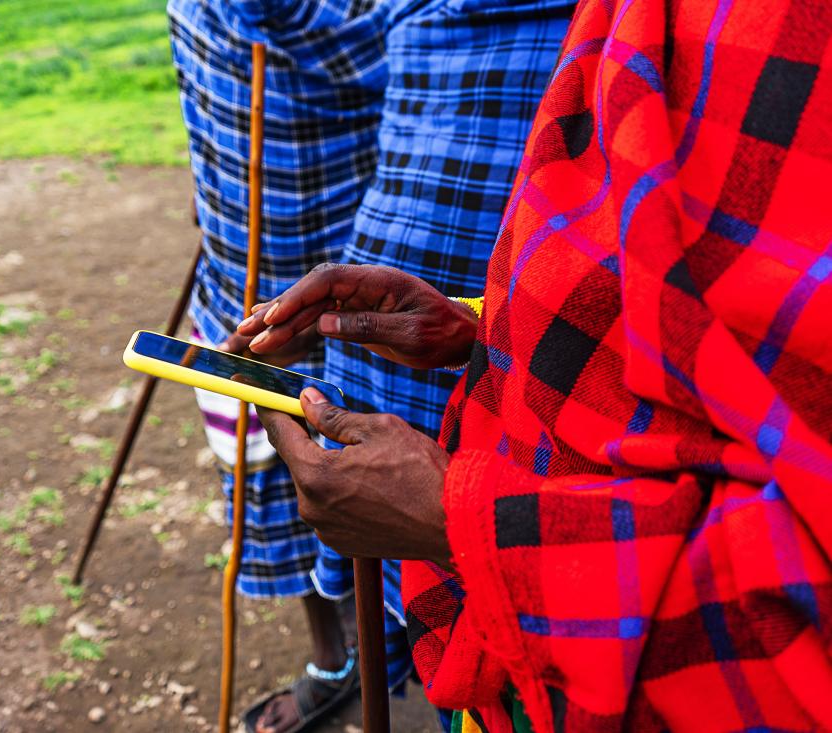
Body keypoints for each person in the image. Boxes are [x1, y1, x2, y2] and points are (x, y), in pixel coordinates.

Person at [236, 0, 832, 729]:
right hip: (517, 654)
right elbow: (684, 323)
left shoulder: (789, 37)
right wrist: (489, 328)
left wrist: (462, 521)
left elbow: (800, 607)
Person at [225, 0, 575, 728]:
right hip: (429, 331)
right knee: (387, 556)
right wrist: (470, 323)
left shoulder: (614, 27)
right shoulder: (409, 10)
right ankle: (374, 660)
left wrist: (464, 519)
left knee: (493, 624)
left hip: (517, 409)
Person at [166, 1, 390, 731]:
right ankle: (337, 660)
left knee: (351, 465)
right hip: (246, 255)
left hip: (342, 270)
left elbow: (327, 39)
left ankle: (376, 645)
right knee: (284, 469)